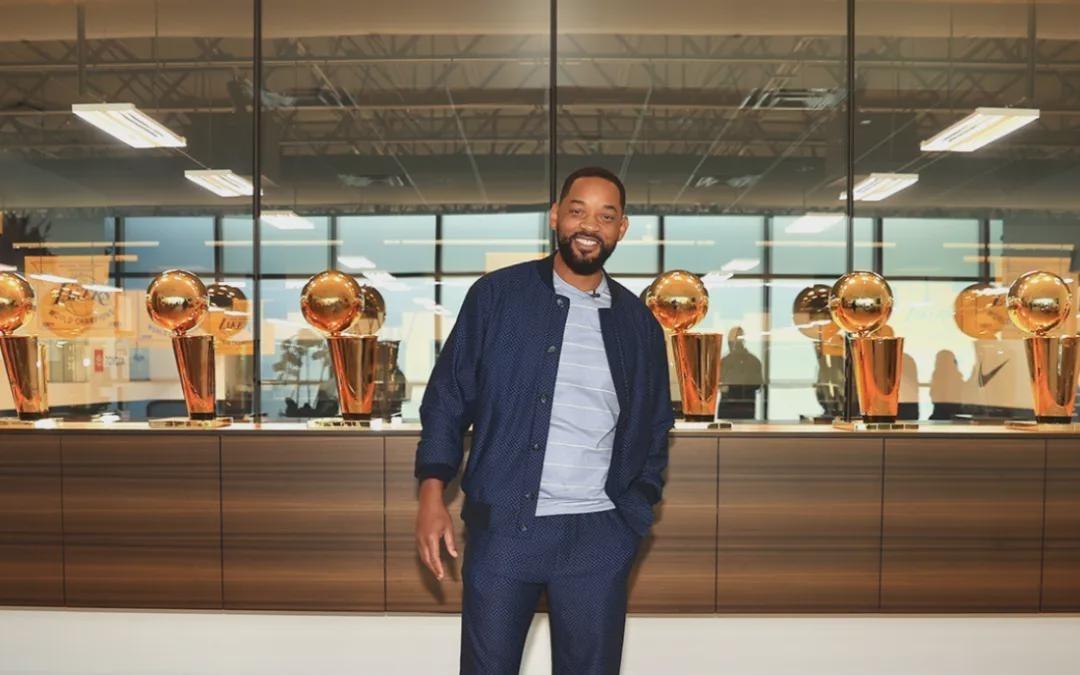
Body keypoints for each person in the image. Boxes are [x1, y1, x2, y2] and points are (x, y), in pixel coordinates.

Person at [414, 166, 674, 675]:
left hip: (600, 535)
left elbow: (654, 426)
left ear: (621, 228)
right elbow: (447, 398)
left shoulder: (638, 324)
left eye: (606, 216)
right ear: (556, 216)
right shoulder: (497, 297)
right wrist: (431, 493)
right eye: (578, 211)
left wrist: (634, 510)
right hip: (506, 530)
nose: (589, 226)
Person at [717, 326, 763, 419]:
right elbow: (718, 384)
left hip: (743, 409)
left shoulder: (753, 361)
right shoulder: (724, 361)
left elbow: (758, 384)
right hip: (729, 409)